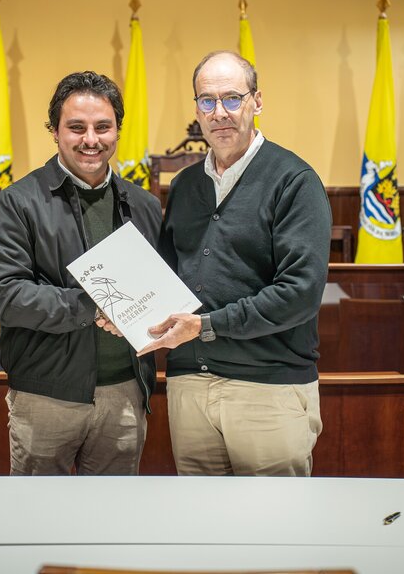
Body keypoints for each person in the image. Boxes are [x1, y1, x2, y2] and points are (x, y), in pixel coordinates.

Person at [137, 50, 331, 476]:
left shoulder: (294, 181)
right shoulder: (185, 185)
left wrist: (206, 326)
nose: (219, 112)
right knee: (200, 517)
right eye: (207, 101)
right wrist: (125, 311)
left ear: (256, 101)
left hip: (267, 389)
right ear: (197, 110)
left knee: (273, 517)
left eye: (232, 98)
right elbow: (167, 280)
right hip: (190, 387)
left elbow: (300, 293)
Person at [0, 71, 162, 476]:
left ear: (117, 130)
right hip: (46, 397)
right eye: (76, 127)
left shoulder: (145, 206)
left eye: (102, 127)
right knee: (39, 514)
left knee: (114, 513)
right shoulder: (16, 204)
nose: (90, 139)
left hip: (125, 393)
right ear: (55, 131)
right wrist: (94, 306)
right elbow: (5, 296)